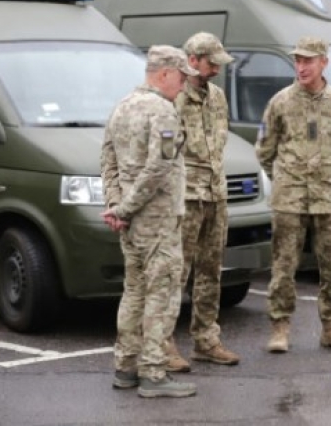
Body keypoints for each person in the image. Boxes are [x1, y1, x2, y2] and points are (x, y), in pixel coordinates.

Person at [100, 45, 198, 398]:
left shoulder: (122, 107)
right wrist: (124, 208)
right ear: (166, 73)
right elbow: (159, 167)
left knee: (134, 291)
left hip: (131, 222)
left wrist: (116, 205)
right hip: (156, 220)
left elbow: (107, 161)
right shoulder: (163, 111)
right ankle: (153, 373)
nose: (184, 85)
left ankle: (125, 367)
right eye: (183, 77)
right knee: (162, 292)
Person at [255, 36, 331, 354]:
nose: (302, 67)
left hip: (329, 196)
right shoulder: (281, 102)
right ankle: (280, 326)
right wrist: (284, 178)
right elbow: (265, 150)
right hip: (290, 198)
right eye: (298, 60)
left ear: (324, 62)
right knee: (284, 264)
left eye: (308, 60)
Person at [163, 32, 240, 372]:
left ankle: (206, 339)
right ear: (192, 61)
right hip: (185, 196)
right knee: (176, 272)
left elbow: (219, 143)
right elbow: (165, 153)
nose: (216, 70)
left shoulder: (217, 97)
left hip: (215, 193)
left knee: (210, 270)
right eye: (212, 64)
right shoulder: (174, 98)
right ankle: (162, 342)